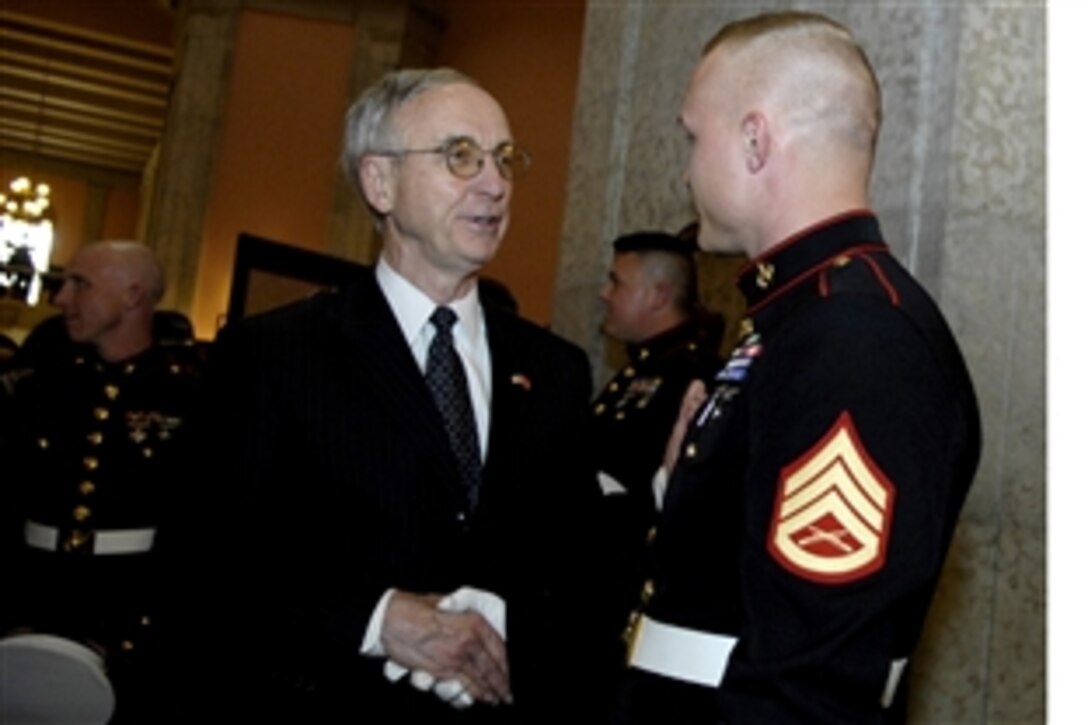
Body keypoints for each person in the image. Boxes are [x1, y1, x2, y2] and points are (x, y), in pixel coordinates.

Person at [168, 68, 603, 722]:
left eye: (505, 160)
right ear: (380, 182)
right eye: (461, 156)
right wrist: (378, 619)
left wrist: (521, 646)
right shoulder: (276, 354)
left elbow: (579, 574)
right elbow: (204, 558)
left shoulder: (557, 370)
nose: (495, 184)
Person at [613, 12, 982, 724]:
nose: (687, 169)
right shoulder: (800, 316)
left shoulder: (856, 335)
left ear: (755, 139)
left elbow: (808, 685)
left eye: (694, 138)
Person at [0, 241, 202, 723]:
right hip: (30, 604)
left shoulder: (191, 396)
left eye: (80, 284)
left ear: (134, 296)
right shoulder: (38, 386)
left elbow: (200, 524)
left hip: (133, 620)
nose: (60, 299)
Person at [590, 230, 723, 641]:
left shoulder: (695, 378)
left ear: (658, 296)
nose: (603, 293)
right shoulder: (635, 373)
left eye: (617, 282)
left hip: (635, 590)